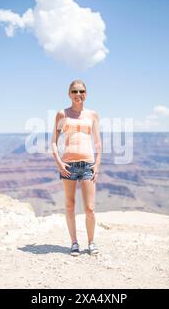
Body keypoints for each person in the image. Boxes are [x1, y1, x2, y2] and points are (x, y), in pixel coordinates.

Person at [51, 79, 102, 256]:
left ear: (86, 94)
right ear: (69, 94)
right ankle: (74, 243)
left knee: (89, 208)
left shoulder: (93, 115)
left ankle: (91, 242)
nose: (78, 95)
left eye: (81, 91)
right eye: (74, 92)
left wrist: (97, 164)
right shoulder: (61, 114)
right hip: (68, 165)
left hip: (88, 164)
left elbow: (97, 142)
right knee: (70, 205)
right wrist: (58, 162)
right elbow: (53, 142)